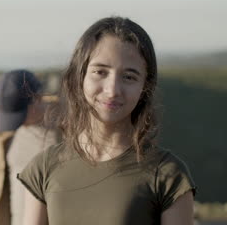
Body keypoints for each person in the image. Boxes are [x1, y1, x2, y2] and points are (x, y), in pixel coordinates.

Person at [18, 16, 197, 225]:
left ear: (144, 87)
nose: (112, 90)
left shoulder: (167, 175)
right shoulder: (44, 168)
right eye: (100, 72)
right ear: (80, 76)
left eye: (129, 77)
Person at [0, 70, 59, 225]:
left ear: (37, 98)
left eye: (20, 115)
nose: (18, 123)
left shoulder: (65, 130)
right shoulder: (12, 134)